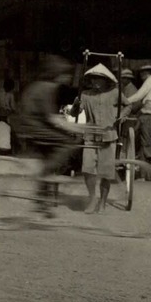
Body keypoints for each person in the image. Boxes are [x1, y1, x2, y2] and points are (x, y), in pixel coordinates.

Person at [12, 55, 84, 215]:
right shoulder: (48, 88)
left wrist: (67, 125)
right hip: (36, 128)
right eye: (66, 74)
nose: (68, 77)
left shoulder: (37, 86)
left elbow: (48, 115)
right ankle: (46, 178)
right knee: (68, 142)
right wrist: (75, 128)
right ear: (56, 74)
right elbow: (51, 117)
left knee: (49, 158)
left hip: (30, 126)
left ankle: (42, 202)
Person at [78, 63, 121, 213]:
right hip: (90, 137)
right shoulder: (85, 95)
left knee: (106, 172)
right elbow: (74, 113)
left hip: (108, 137)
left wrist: (119, 116)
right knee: (88, 169)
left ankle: (102, 202)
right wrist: (75, 106)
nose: (96, 81)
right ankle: (92, 199)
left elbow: (128, 105)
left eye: (99, 79)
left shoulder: (115, 92)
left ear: (106, 80)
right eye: (93, 78)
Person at [122, 63, 151, 172]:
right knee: (150, 144)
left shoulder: (149, 82)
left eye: (142, 73)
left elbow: (138, 96)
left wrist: (124, 101)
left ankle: (143, 172)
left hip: (149, 114)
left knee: (144, 144)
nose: (141, 75)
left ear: (147, 73)